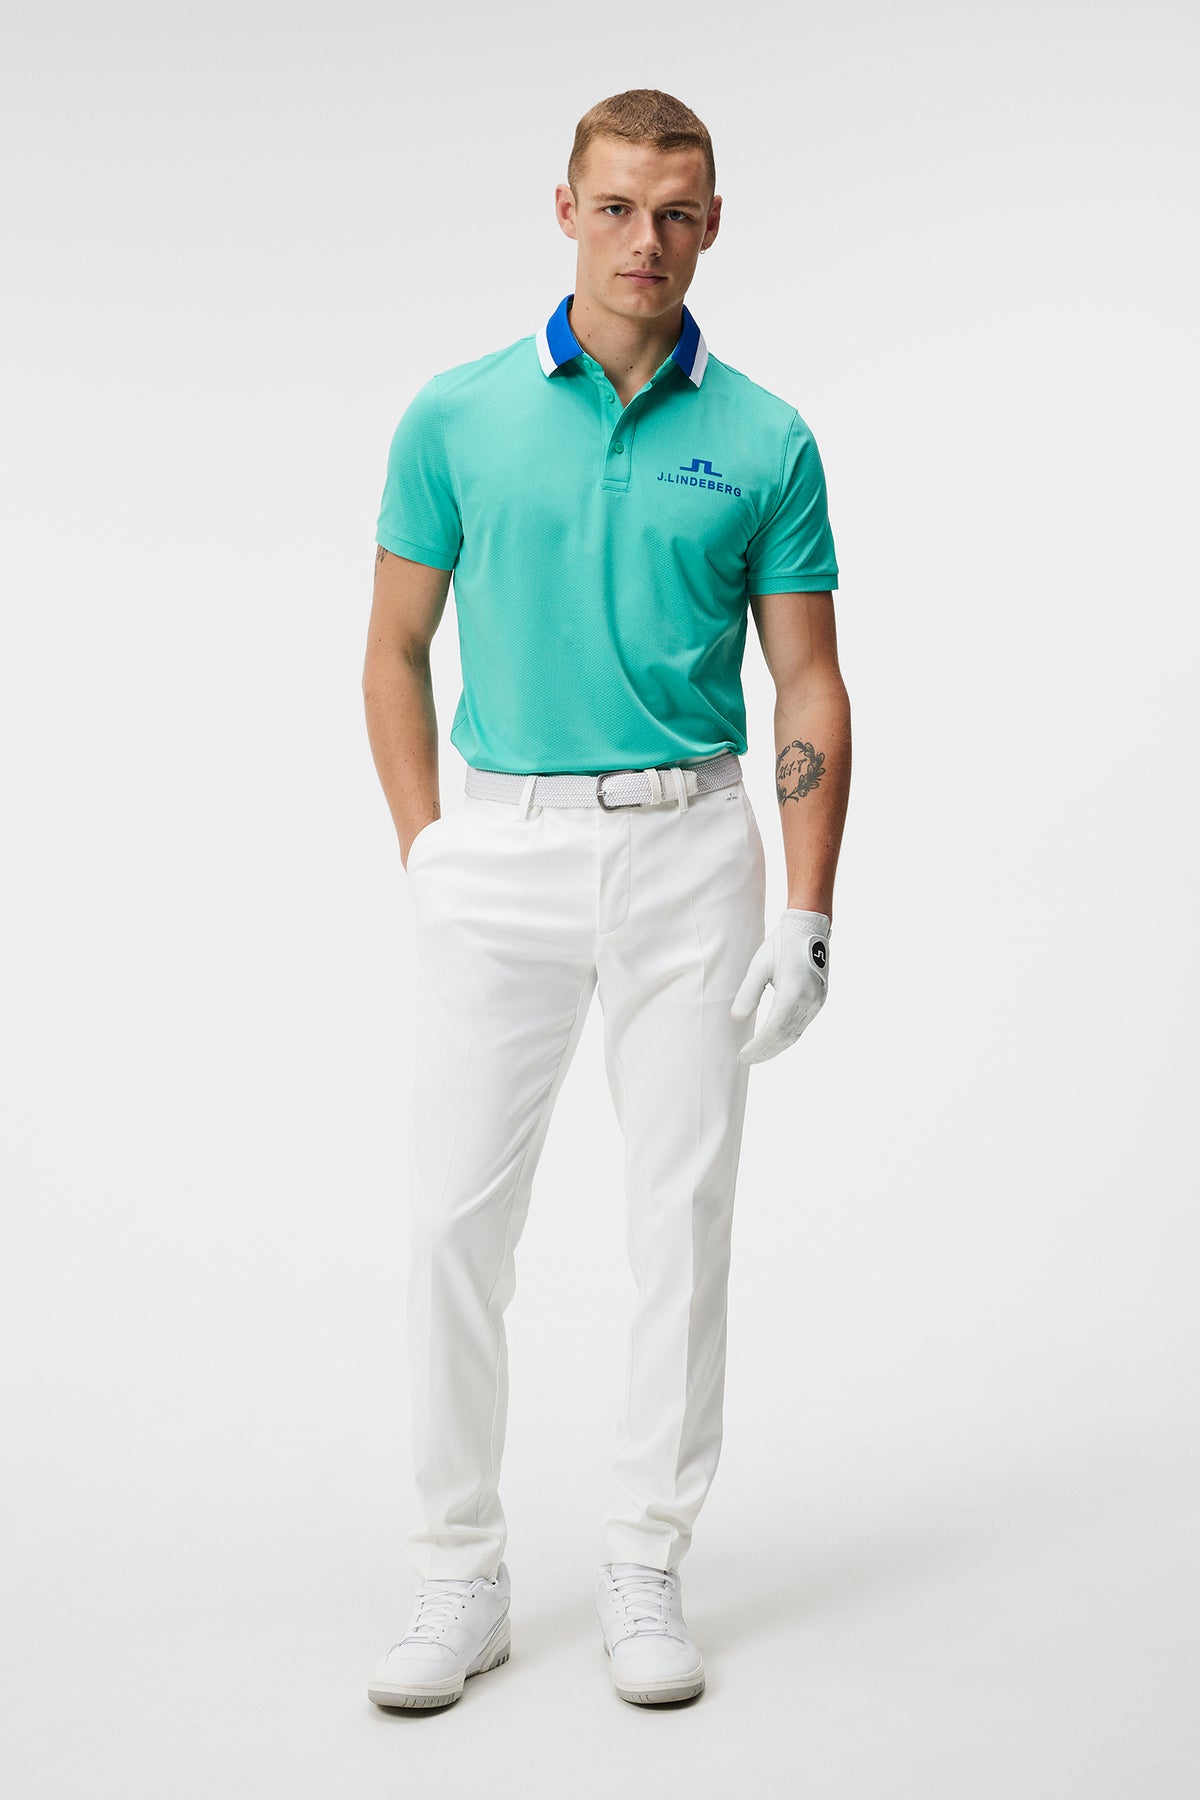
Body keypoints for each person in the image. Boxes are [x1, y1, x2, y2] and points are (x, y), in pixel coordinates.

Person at [361, 87, 851, 1711]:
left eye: (680, 211)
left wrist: (806, 910)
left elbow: (806, 680)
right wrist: (428, 848)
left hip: (690, 849)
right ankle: (459, 1575)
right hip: (499, 852)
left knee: (680, 1223)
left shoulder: (767, 439)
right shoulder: (457, 416)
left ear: (714, 225)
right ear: (566, 208)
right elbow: (393, 649)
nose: (650, 239)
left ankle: (645, 1560)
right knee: (452, 1220)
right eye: (622, 206)